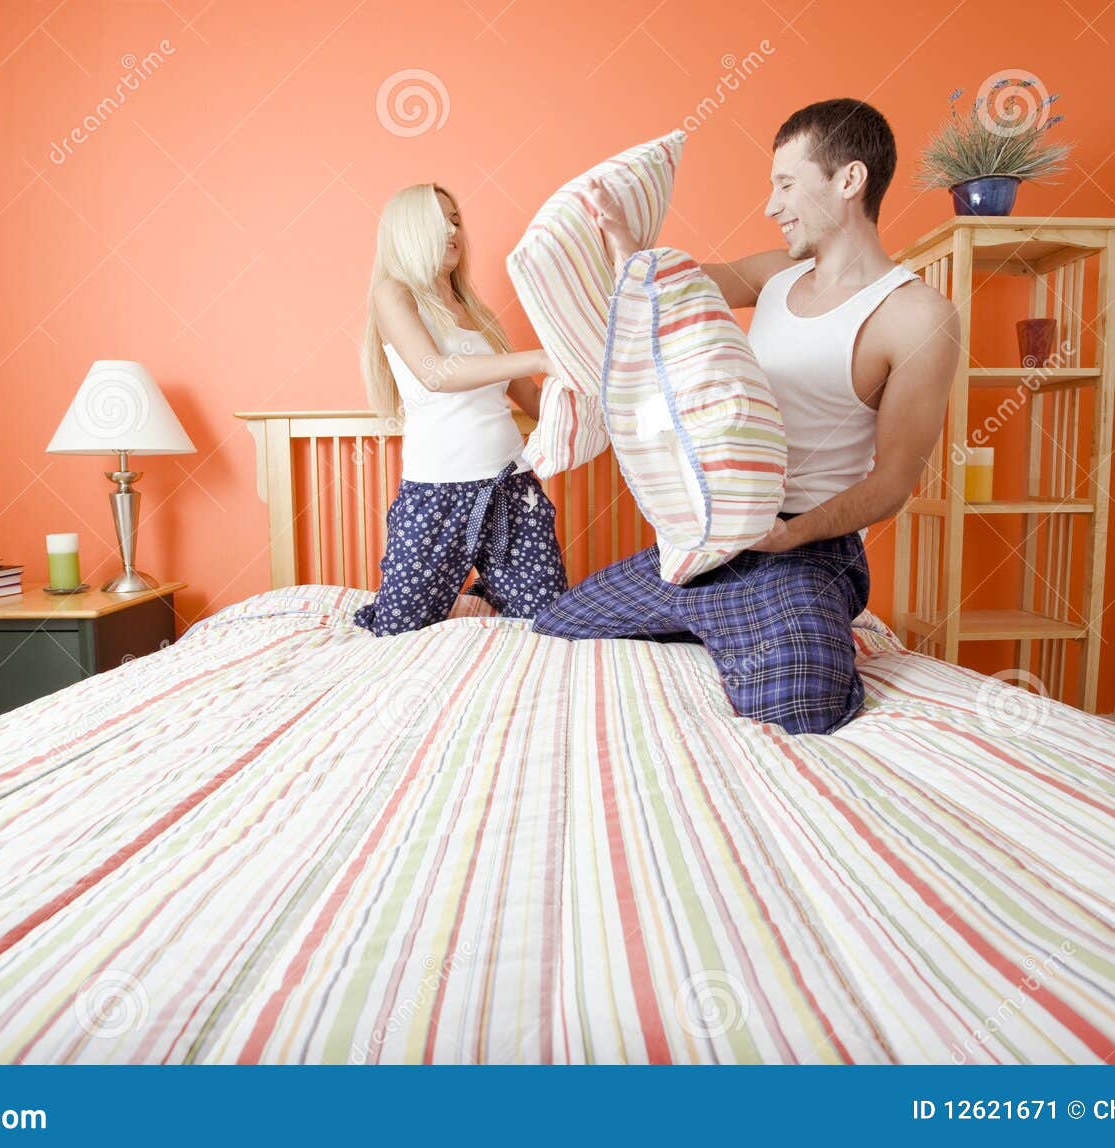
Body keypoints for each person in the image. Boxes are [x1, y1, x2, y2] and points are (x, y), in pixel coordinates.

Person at [532, 99, 960, 734]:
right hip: (715, 539)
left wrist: (789, 535)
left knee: (803, 705)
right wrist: (617, 233)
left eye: (786, 184)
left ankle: (752, 618)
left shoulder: (918, 316)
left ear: (849, 180)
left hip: (805, 549)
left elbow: (893, 483)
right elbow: (661, 288)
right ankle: (726, 618)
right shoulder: (774, 276)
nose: (770, 205)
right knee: (559, 623)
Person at [355, 183, 569, 636]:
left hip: (510, 486)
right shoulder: (395, 294)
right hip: (437, 494)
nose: (453, 230)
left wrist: (586, 386)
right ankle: (483, 587)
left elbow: (533, 401)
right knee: (397, 628)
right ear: (409, 229)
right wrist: (537, 357)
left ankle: (492, 587)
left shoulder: (478, 311)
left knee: (547, 621)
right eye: (440, 220)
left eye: (455, 220)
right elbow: (435, 372)